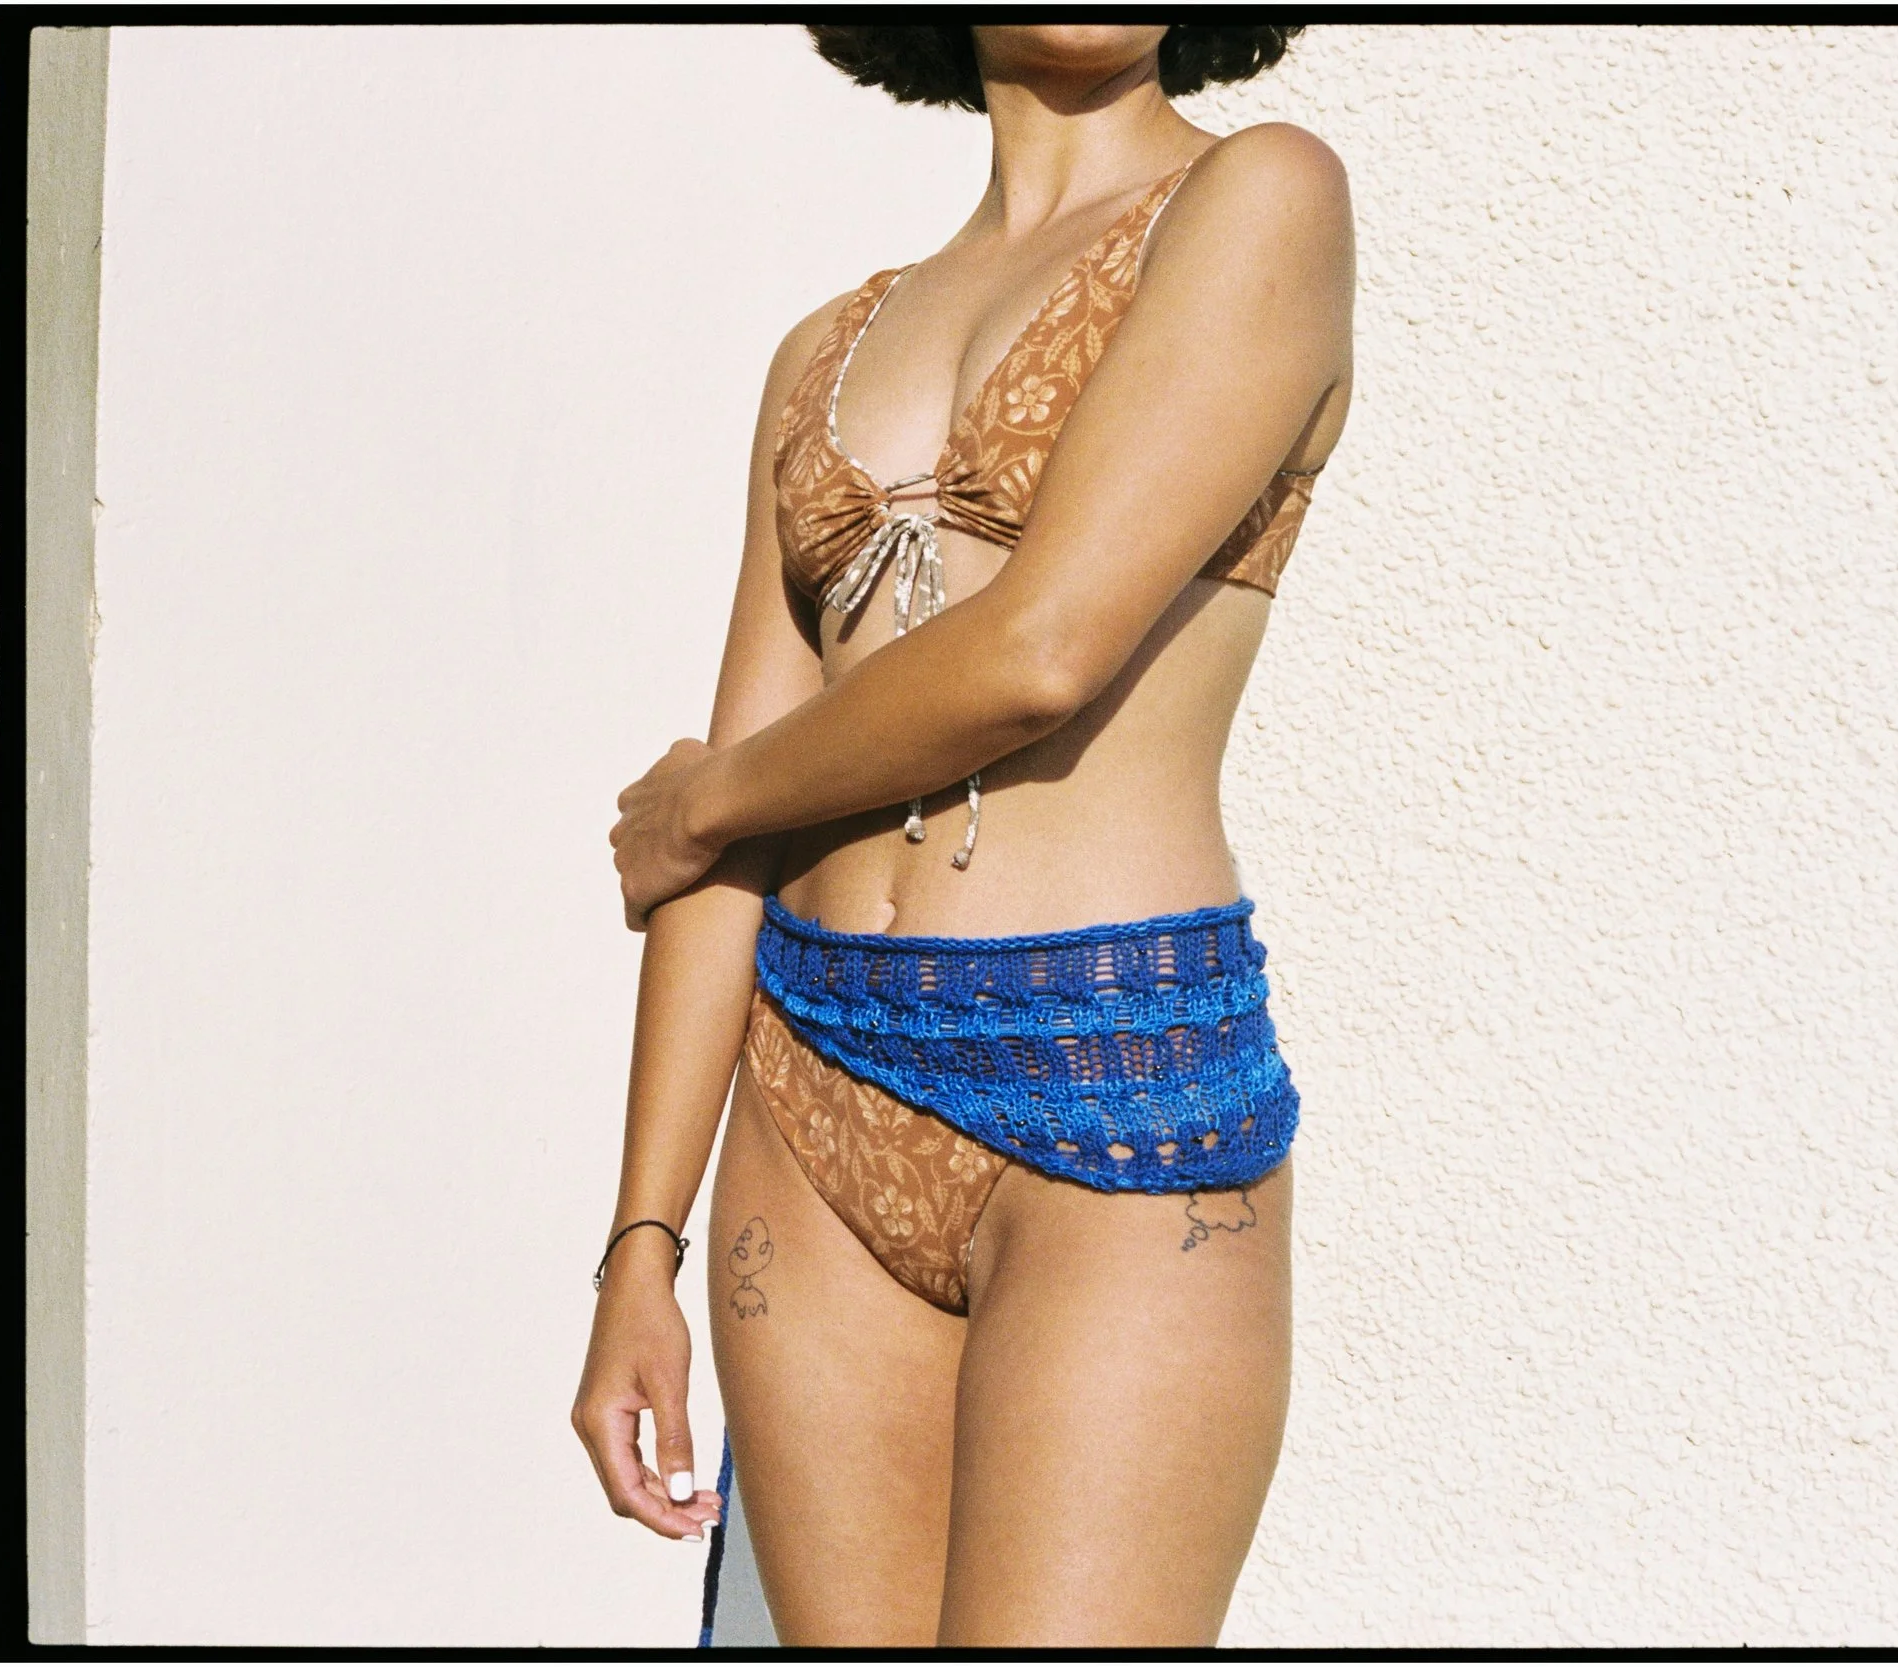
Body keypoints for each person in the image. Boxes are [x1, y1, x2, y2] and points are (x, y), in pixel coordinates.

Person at [569, 24, 1352, 1647]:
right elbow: (746, 831)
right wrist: (638, 1240)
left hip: (1114, 1085)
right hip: (811, 1091)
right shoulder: (826, 349)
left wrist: (709, 789)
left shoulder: (1261, 199)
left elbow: (1038, 652)